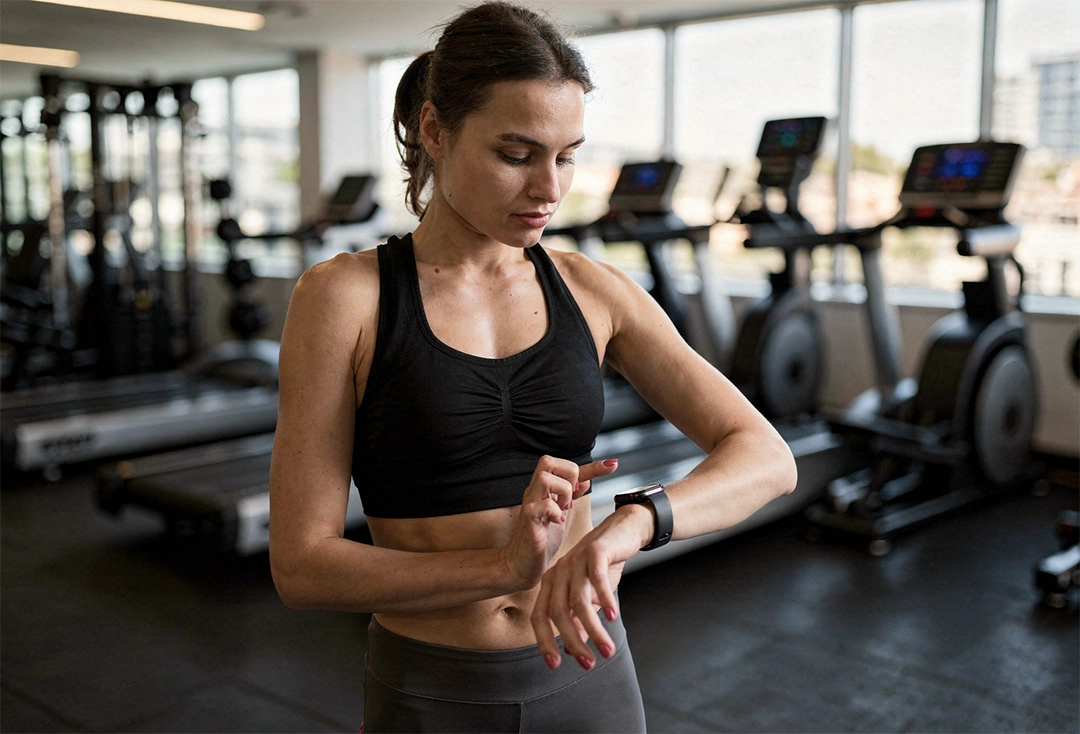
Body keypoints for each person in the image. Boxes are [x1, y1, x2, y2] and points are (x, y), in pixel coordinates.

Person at [268, 3, 797, 732]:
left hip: (592, 672)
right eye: (516, 155)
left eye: (568, 154)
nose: (550, 188)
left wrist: (631, 524)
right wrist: (501, 569)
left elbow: (767, 458)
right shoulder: (345, 297)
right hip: (433, 687)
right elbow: (301, 566)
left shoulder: (593, 289)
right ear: (433, 131)